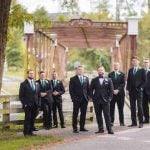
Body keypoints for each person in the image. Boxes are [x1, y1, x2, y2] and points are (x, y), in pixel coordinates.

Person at [90, 66, 114, 134]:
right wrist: (92, 97)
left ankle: (109, 129)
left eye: (102, 70)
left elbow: (111, 90)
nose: (100, 71)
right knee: (98, 115)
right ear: (97, 71)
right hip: (96, 100)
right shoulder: (94, 80)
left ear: (104, 71)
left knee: (107, 115)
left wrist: (109, 98)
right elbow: (90, 89)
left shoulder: (109, 80)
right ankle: (100, 129)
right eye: (99, 70)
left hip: (105, 100)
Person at [126, 56, 146, 128]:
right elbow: (128, 81)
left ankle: (141, 122)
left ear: (138, 62)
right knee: (132, 107)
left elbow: (144, 81)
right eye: (133, 61)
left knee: (140, 106)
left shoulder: (142, 70)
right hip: (131, 91)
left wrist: (141, 88)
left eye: (135, 61)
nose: (134, 62)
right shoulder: (130, 70)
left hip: (139, 91)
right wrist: (127, 89)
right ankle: (134, 122)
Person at [69, 65, 90, 133]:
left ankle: (82, 127)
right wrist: (73, 98)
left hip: (84, 99)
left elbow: (88, 89)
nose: (80, 70)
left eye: (81, 69)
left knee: (83, 113)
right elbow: (71, 90)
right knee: (75, 114)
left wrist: (88, 97)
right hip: (76, 99)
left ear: (83, 71)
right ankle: (75, 128)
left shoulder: (86, 78)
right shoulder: (72, 79)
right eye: (79, 69)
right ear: (76, 70)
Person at [19, 69, 40, 136]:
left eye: (33, 73)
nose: (32, 74)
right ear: (27, 74)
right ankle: (26, 132)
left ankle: (30, 132)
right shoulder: (23, 84)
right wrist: (24, 104)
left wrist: (39, 103)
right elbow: (21, 95)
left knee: (33, 119)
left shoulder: (36, 83)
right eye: (30, 73)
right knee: (27, 119)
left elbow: (38, 95)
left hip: (35, 104)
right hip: (27, 105)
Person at [108, 62, 125, 126]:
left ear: (119, 66)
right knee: (111, 108)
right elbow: (109, 83)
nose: (115, 66)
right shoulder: (110, 74)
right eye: (114, 65)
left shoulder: (122, 74)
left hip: (120, 94)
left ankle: (122, 122)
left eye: (117, 65)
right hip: (112, 94)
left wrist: (118, 90)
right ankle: (111, 122)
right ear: (113, 66)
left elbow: (123, 84)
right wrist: (112, 90)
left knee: (120, 108)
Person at [142, 58, 150, 123]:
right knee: (144, 106)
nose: (146, 63)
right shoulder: (141, 71)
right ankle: (146, 119)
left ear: (149, 63)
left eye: (147, 62)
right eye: (144, 62)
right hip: (143, 92)